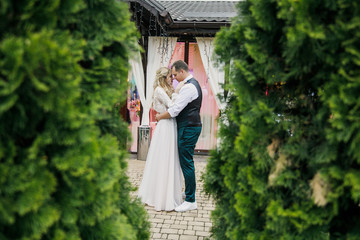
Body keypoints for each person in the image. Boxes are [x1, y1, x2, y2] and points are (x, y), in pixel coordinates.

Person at [156, 60, 202, 212]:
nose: (174, 78)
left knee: (186, 163)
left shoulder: (188, 87)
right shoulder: (190, 85)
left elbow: (175, 110)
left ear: (182, 71)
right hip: (189, 127)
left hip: (188, 128)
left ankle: (190, 200)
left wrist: (159, 117)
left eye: (175, 74)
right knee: (186, 162)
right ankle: (189, 193)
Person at [137, 67, 183, 211]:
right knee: (164, 159)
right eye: (170, 77)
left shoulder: (163, 90)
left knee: (169, 158)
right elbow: (172, 106)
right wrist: (177, 93)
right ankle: (161, 196)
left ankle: (166, 192)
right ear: (164, 78)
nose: (172, 79)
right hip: (165, 127)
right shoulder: (159, 90)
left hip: (169, 125)